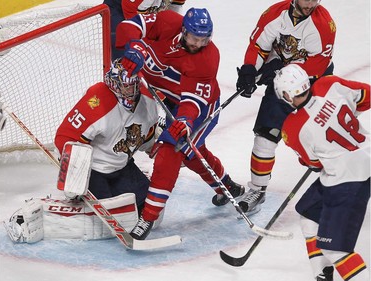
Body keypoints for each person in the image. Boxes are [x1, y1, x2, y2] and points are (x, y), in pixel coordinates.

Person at [115, 7, 246, 240]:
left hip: (199, 108)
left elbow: (192, 102)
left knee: (172, 150)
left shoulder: (208, 57)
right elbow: (128, 26)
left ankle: (148, 216)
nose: (199, 43)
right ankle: (226, 186)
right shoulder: (166, 20)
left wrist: (185, 121)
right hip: (166, 98)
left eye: (205, 39)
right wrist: (134, 46)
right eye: (195, 37)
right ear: (184, 31)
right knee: (193, 152)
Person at [3, 59, 163, 243]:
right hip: (94, 170)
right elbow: (64, 137)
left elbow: (146, 139)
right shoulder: (98, 100)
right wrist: (75, 175)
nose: (133, 91)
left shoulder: (147, 102)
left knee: (148, 204)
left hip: (122, 165)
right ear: (113, 83)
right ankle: (32, 218)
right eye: (127, 86)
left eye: (135, 84)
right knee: (103, 216)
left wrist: (159, 149)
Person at [235, 0, 337, 215]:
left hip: (313, 82)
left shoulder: (324, 25)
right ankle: (257, 189)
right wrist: (249, 70)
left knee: (324, 138)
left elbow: (316, 65)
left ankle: (339, 185)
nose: (310, 3)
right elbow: (258, 46)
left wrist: (279, 67)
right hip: (281, 85)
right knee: (265, 136)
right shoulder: (275, 13)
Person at [275, 64, 370, 281]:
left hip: (346, 180)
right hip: (365, 156)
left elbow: (314, 164)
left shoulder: (292, 128)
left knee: (336, 250)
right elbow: (366, 95)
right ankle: (322, 275)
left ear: (287, 95)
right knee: (309, 214)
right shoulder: (329, 84)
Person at [103, 0, 186, 61]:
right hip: (118, 7)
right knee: (125, 43)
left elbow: (174, 11)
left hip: (146, 5)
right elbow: (134, 22)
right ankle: (119, 74)